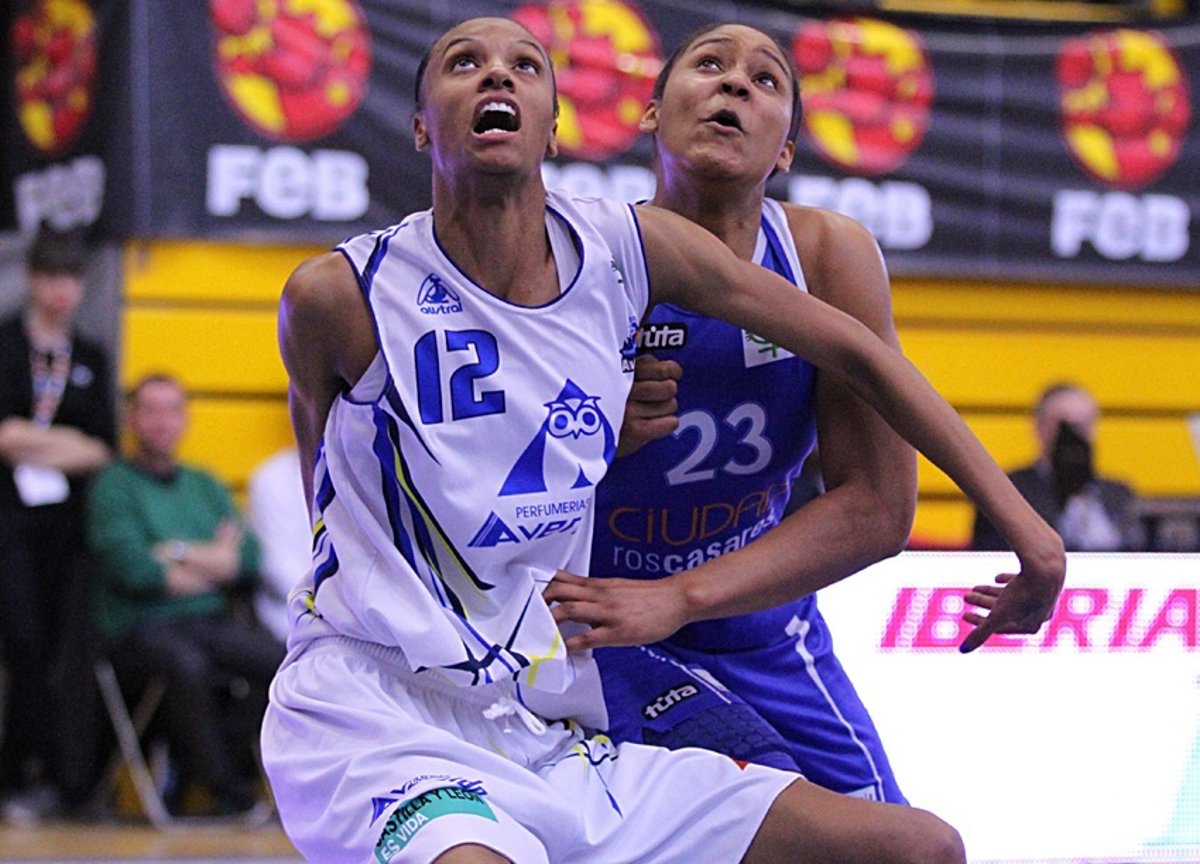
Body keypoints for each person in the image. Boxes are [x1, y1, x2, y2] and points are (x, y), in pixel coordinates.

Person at [262, 17, 1063, 863]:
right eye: (465, 62)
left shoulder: (639, 252)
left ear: (555, 127)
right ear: (421, 125)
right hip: (534, 650)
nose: (734, 85)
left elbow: (871, 416)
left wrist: (1030, 534)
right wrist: (603, 448)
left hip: (683, 639)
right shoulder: (344, 296)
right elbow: (336, 493)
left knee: (914, 848)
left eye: (525, 64)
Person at [589, 23, 912, 803]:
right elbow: (485, 476)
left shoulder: (826, 256)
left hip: (759, 623)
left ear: (786, 152)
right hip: (606, 623)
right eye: (709, 64)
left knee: (909, 847)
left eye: (766, 80)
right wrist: (591, 431)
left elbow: (879, 509)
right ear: (651, 112)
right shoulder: (580, 258)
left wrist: (684, 595)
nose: (735, 82)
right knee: (764, 819)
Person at [87, 374, 284, 817]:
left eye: (172, 410)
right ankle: (224, 790)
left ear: (185, 419)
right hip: (139, 626)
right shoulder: (113, 486)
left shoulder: (205, 485)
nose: (162, 421)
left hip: (208, 621)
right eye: (150, 410)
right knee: (185, 665)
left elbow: (247, 559)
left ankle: (209, 767)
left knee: (282, 662)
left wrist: (173, 553)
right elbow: (135, 570)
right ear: (131, 419)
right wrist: (212, 560)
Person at [0, 228, 115, 821]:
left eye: (71, 278)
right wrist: (61, 442)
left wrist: (32, 439)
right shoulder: (7, 345)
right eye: (51, 277)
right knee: (23, 642)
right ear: (32, 281)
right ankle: (20, 773)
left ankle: (43, 775)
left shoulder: (89, 355)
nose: (61, 290)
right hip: (11, 520)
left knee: (56, 651)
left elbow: (100, 449)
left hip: (67, 528)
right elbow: (3, 436)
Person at [971, 382, 1143, 552]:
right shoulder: (1008, 490)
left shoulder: (1118, 494)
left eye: (1082, 425)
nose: (1073, 436)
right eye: (1064, 426)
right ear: (1039, 426)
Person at [245, 446, 309, 644]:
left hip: (364, 618)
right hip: (291, 618)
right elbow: (277, 567)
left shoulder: (367, 472)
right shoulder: (272, 478)